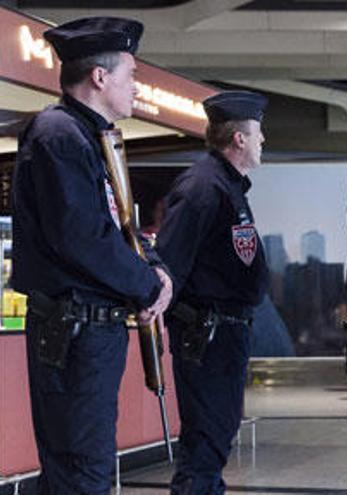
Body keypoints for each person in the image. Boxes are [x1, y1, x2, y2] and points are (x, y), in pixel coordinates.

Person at [11, 17, 173, 493]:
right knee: (81, 471)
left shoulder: (88, 136)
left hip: (88, 331)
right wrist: (147, 286)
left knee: (86, 465)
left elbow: (116, 224)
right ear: (99, 77)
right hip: (74, 330)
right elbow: (82, 236)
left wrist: (155, 267)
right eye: (132, 76)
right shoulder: (59, 134)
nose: (137, 89)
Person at [156, 90, 270, 492]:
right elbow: (168, 264)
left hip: (224, 333)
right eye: (258, 133)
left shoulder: (227, 186)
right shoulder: (203, 187)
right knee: (204, 446)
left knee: (215, 440)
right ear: (238, 138)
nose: (263, 140)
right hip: (206, 335)